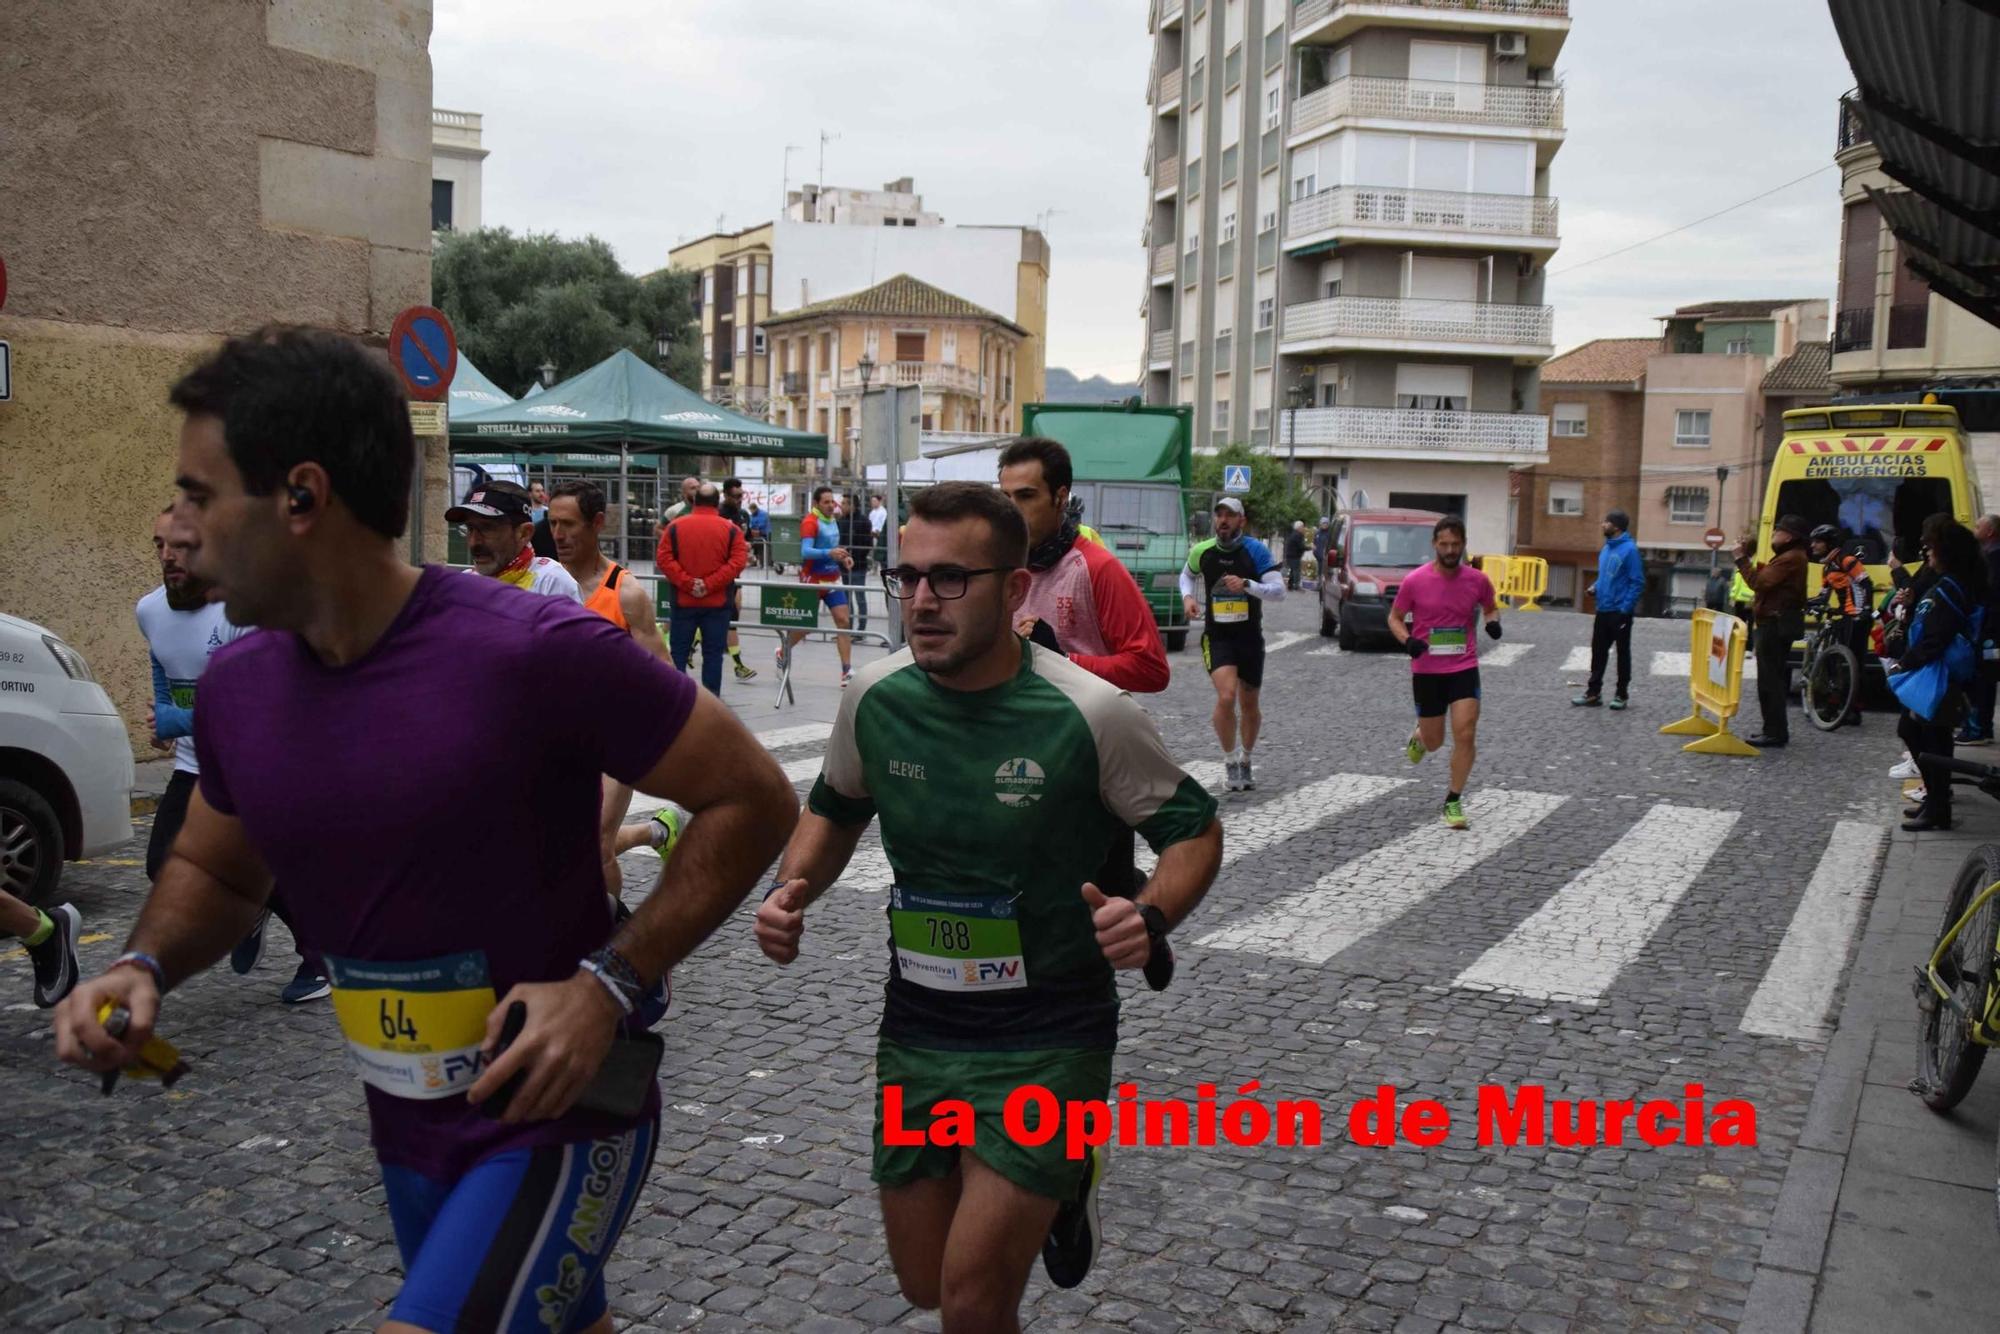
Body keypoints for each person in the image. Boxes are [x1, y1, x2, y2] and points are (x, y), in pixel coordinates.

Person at [55, 326, 798, 1333]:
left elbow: (755, 797)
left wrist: (608, 984)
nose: (173, 522)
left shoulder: (531, 651)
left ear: (302, 496)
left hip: (561, 1107)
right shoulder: (238, 688)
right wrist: (141, 959)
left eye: (197, 491)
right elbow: (217, 870)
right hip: (403, 1121)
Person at [754, 480, 1222, 1322]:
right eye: (908, 579)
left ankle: (1063, 1165)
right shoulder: (878, 700)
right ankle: (1069, 1183)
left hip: (1050, 1032)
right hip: (920, 1027)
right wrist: (791, 892)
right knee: (924, 1284)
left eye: (950, 580)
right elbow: (832, 812)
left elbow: (1195, 832)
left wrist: (1148, 915)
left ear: (1013, 591)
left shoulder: (1090, 711)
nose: (922, 601)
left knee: (973, 1297)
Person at [549, 478, 675, 902]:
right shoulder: (541, 583)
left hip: (610, 745)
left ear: (597, 523)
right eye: (552, 524)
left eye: (569, 524)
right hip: (554, 742)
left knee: (595, 845)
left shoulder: (625, 593)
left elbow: (664, 676)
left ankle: (611, 945)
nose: (559, 535)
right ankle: (653, 831)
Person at [1389, 516, 1501, 830]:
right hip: (1427, 670)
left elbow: (1490, 606)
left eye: (1455, 544)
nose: (1450, 550)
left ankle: (1453, 799)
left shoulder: (1477, 580)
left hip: (1463, 666)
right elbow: (1395, 617)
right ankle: (1420, 736)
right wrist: (1407, 640)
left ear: (1463, 544)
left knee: (1465, 732)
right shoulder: (1415, 580)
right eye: (1444, 544)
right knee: (1435, 741)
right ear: (1435, 545)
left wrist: (1492, 622)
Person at [1181, 497, 1283, 791]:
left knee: (1249, 703)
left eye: (1230, 515)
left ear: (1242, 520)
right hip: (1218, 637)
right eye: (1219, 515)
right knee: (1226, 696)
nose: (1223, 520)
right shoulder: (1203, 551)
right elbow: (1186, 576)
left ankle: (1246, 759)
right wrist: (1188, 598)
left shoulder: (1256, 551)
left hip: (1250, 637)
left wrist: (1248, 585)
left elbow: (1279, 592)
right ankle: (1229, 761)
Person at [1895, 515, 1989, 831]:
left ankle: (1938, 808)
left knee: (1929, 738)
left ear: (1946, 552)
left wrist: (1905, 662)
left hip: (1939, 675)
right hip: (1938, 673)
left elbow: (1937, 635)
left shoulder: (1951, 586)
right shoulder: (1954, 582)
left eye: (1932, 549)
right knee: (1923, 735)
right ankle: (1935, 802)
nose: (1928, 554)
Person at [658, 483, 751, 697]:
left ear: (695, 501)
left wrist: (688, 583)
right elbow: (738, 562)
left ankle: (676, 699)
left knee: (679, 654)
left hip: (683, 602)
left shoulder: (675, 527)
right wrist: (709, 584)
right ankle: (711, 703)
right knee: (713, 656)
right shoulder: (731, 530)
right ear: (716, 503)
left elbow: (663, 558)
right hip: (717, 605)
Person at [1732, 514, 1810, 749]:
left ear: (1789, 536)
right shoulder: (1790, 557)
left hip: (1774, 625)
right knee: (1771, 679)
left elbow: (1759, 582)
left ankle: (1775, 732)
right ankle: (1772, 729)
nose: (1774, 534)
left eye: (1778, 531)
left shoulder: (1790, 559)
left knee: (1770, 681)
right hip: (1774, 622)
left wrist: (1740, 559)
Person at [450, 481, 581, 601]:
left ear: (524, 533)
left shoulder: (550, 582)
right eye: (469, 528)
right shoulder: (465, 583)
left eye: (487, 529)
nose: (474, 542)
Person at [784, 485, 855, 687]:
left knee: (843, 621)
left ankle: (846, 671)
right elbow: (806, 552)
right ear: (815, 503)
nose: (831, 505)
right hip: (812, 579)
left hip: (832, 578)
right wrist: (829, 554)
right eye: (826, 502)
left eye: (833, 501)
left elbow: (832, 548)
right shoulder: (810, 522)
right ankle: (783, 650)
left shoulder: (832, 519)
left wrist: (844, 557)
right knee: (806, 626)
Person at [1573, 509, 1645, 710]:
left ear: (1617, 526)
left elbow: (1637, 582)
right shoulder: (1606, 549)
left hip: (1620, 612)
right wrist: (1595, 587)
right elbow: (1606, 577)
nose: (1603, 525)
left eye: (1607, 522)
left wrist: (1625, 608)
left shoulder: (1630, 550)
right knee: (1598, 653)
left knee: (1622, 654)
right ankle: (1593, 693)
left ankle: (1621, 694)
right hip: (1603, 609)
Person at [1808, 522, 1874, 728]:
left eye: (1817, 542)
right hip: (1845, 616)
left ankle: (1853, 710)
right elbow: (1824, 595)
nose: (1813, 546)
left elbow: (1866, 585)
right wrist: (1806, 603)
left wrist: (1865, 610)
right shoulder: (1827, 567)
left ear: (1828, 543)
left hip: (1858, 618)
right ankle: (1833, 704)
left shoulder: (1848, 560)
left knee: (1852, 664)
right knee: (1835, 662)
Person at [712, 478, 759, 681]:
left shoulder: (743, 514)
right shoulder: (718, 514)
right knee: (728, 616)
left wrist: (748, 547)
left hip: (734, 573)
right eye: (736, 496)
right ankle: (738, 664)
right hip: (719, 573)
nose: (740, 499)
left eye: (742, 496)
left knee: (732, 612)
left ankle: (730, 657)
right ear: (725, 495)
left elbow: (746, 539)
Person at [1960, 513, 2000, 745]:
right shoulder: (1989, 554)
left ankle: (1978, 729)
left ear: (1990, 532)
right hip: (1989, 627)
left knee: (1983, 678)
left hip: (1989, 629)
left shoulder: (1993, 557)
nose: (1974, 531)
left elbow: (1988, 593)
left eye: (1978, 527)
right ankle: (1982, 727)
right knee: (1986, 676)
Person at [840, 489, 876, 634]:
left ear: (852, 505)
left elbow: (867, 544)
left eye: (844, 503)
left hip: (858, 565)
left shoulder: (863, 521)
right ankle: (848, 628)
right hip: (843, 565)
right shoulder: (841, 521)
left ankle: (861, 629)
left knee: (860, 596)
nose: (841, 506)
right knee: (846, 597)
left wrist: (855, 556)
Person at [1283, 520, 1307, 591]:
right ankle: (1296, 585)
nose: (1303, 528)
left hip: (1291, 555)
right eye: (1302, 527)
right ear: (1299, 527)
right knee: (1296, 571)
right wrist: (1309, 547)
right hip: (1294, 555)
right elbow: (1301, 546)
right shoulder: (1298, 535)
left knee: (1293, 571)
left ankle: (1290, 586)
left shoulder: (1294, 534)